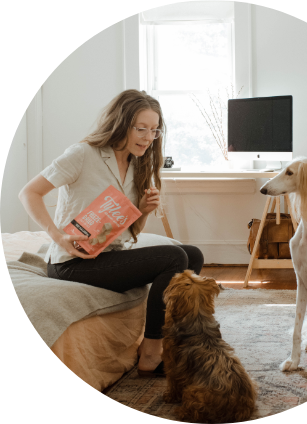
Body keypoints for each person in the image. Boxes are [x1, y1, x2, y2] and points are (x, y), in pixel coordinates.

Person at [18, 89, 204, 376]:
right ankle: (151, 353)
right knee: (173, 257)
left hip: (108, 255)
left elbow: (128, 232)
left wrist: (142, 209)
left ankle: (177, 341)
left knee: (192, 255)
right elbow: (29, 192)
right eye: (141, 128)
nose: (147, 137)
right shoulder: (83, 154)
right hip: (72, 263)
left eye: (154, 131)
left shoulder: (136, 164)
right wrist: (58, 237)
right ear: (121, 123)